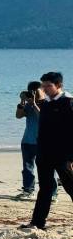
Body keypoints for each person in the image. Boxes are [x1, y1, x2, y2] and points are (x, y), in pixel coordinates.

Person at [24, 72, 73, 230]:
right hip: (44, 154)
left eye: (48, 86)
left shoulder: (69, 102)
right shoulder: (45, 103)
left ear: (59, 86)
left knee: (70, 186)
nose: (45, 89)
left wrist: (71, 158)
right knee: (44, 189)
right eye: (43, 86)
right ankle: (38, 223)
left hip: (63, 155)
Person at [15, 80, 49, 200]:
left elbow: (44, 119)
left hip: (44, 142)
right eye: (31, 92)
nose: (34, 94)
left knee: (48, 169)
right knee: (27, 168)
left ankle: (52, 194)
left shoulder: (48, 103)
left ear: (43, 90)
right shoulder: (28, 104)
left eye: (36, 91)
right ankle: (28, 191)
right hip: (27, 141)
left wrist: (34, 104)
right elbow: (18, 116)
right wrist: (22, 102)